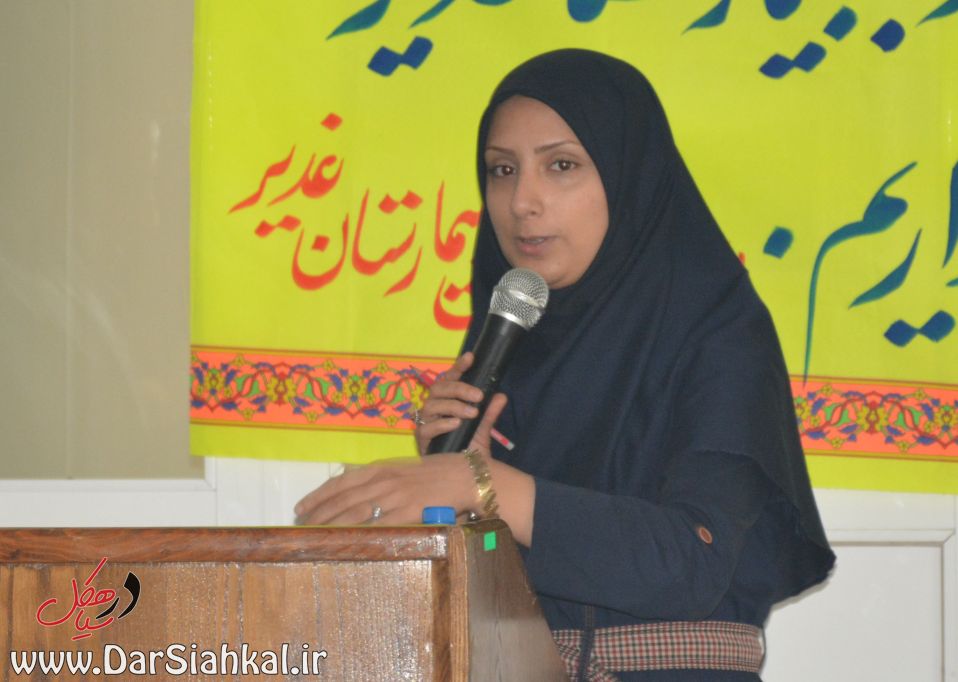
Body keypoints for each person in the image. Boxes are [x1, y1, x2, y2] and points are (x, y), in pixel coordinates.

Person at [296, 49, 836, 680]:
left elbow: (691, 565)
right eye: (502, 170)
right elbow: (509, 590)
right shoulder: (512, 339)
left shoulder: (718, 330)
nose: (522, 201)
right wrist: (463, 505)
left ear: (628, 174)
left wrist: (483, 485)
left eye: (561, 165)